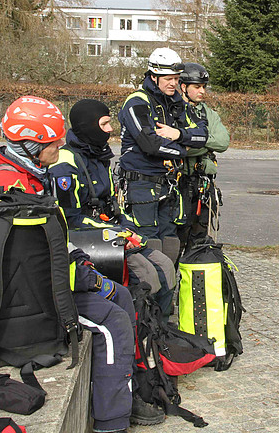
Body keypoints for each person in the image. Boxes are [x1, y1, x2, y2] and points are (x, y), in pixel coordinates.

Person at [0, 96, 164, 431]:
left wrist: (83, 265)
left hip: (39, 288)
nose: (61, 145)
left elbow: (53, 241)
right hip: (21, 303)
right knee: (111, 322)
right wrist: (89, 281)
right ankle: (113, 422)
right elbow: (25, 263)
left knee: (123, 296)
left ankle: (134, 384)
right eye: (54, 141)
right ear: (31, 144)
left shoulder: (31, 179)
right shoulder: (8, 188)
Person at [48, 99, 176, 316]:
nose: (110, 129)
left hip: (109, 232)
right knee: (147, 274)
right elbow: (69, 219)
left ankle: (159, 326)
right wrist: (116, 233)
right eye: (105, 124)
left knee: (165, 265)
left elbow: (114, 204)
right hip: (86, 238)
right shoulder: (65, 164)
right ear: (88, 126)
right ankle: (140, 330)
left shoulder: (99, 156)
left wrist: (127, 227)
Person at [117, 48, 208, 264]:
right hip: (141, 185)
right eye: (168, 79)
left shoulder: (175, 102)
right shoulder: (137, 102)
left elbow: (203, 135)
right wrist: (183, 150)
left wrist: (178, 134)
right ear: (153, 76)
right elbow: (150, 144)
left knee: (170, 243)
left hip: (169, 186)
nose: (173, 84)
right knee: (148, 246)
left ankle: (167, 295)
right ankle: (145, 297)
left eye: (176, 79)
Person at [176, 63, 230, 255]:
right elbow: (178, 149)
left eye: (204, 86)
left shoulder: (208, 113)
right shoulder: (174, 111)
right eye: (197, 86)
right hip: (178, 187)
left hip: (202, 188)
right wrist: (204, 143)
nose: (202, 91)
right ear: (183, 87)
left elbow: (223, 142)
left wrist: (195, 142)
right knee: (175, 241)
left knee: (198, 243)